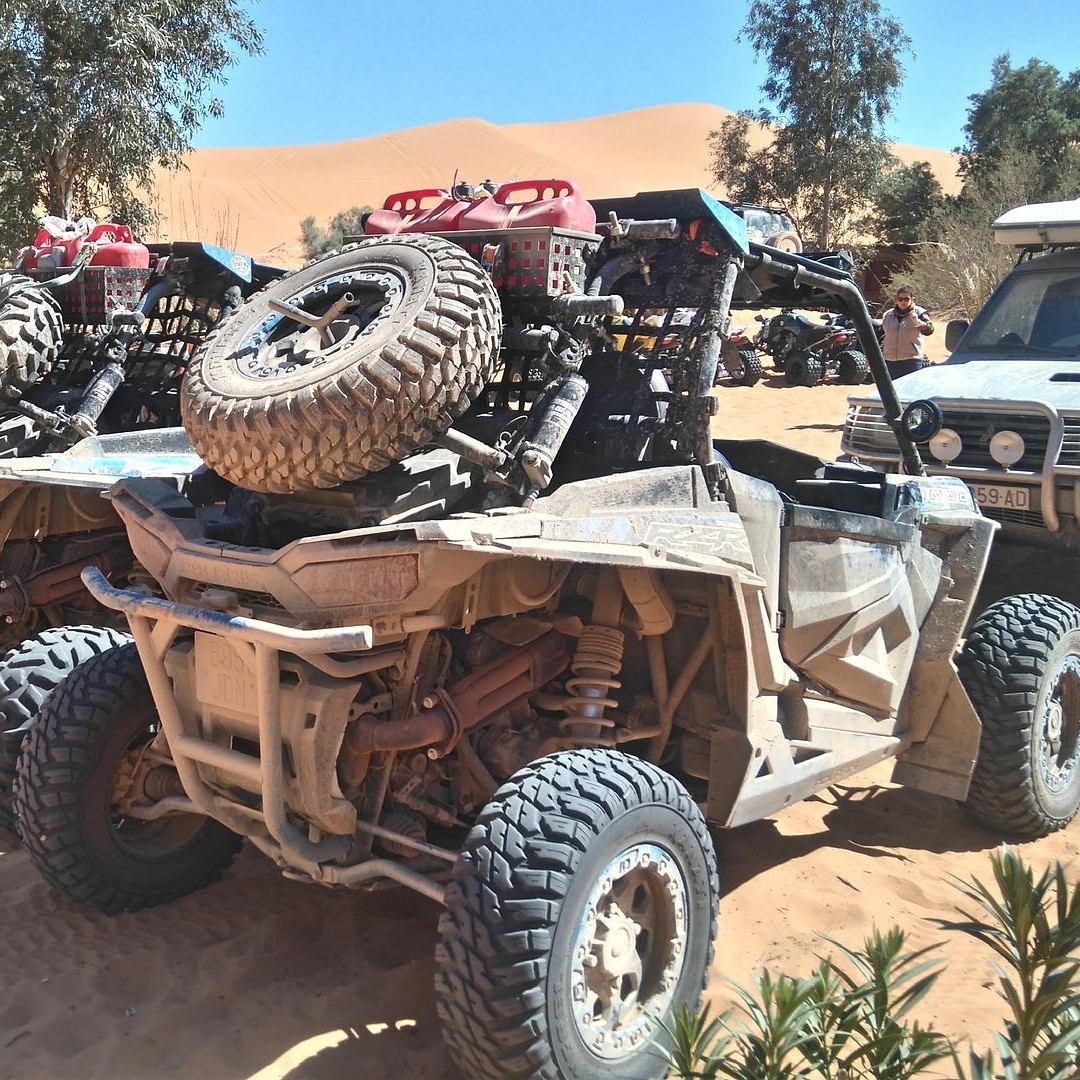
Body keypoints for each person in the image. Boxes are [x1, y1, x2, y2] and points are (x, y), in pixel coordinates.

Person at [880, 285, 933, 377]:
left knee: (912, 390)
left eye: (906, 299)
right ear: (896, 300)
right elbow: (881, 337)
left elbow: (929, 330)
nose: (903, 301)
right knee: (893, 389)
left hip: (912, 361)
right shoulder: (888, 315)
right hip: (890, 361)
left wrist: (917, 322)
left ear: (912, 299)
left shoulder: (920, 313)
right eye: (900, 299)